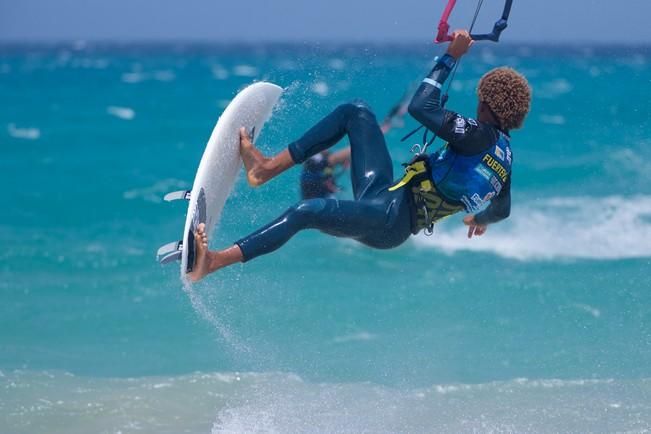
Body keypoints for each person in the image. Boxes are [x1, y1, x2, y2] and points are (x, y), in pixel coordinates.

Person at [188, 30, 531, 282]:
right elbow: (503, 209)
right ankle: (263, 169)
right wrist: (478, 221)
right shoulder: (504, 160)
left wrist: (451, 57)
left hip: (388, 221)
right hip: (387, 196)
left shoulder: (477, 135)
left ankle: (214, 262)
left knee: (305, 211)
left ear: (484, 103)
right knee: (356, 111)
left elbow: (421, 107)